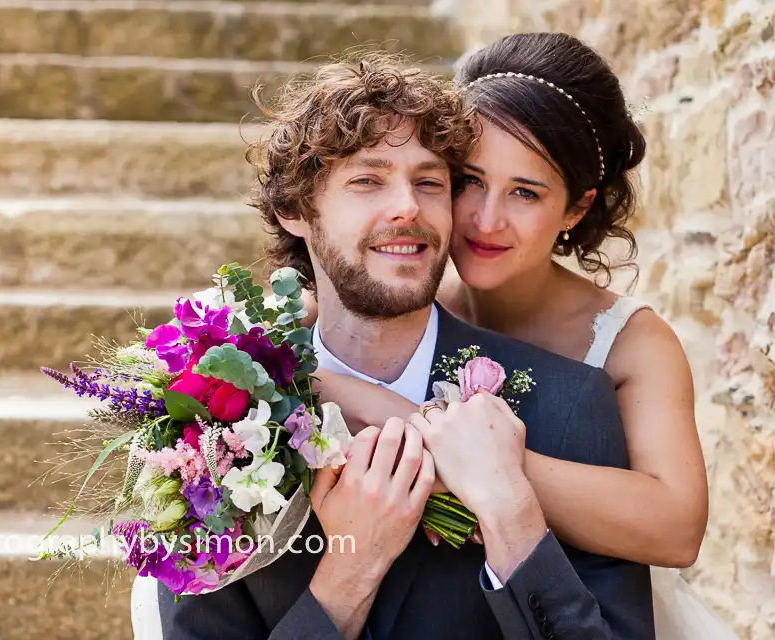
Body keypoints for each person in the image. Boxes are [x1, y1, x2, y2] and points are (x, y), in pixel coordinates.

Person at [153, 50, 657, 640]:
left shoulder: (573, 403)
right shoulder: (205, 420)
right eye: (367, 181)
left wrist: (511, 515)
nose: (407, 208)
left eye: (430, 182)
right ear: (294, 209)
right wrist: (351, 570)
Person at [304, 33, 735, 639]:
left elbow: (677, 529)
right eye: (469, 181)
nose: (485, 219)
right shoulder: (402, 293)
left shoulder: (631, 343)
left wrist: (488, 462)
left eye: (525, 193)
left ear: (576, 209)